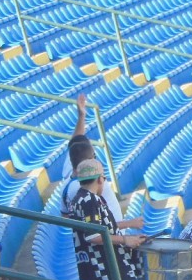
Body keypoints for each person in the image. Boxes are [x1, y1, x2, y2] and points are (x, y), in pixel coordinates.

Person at [60, 94, 142, 233]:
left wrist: (81, 116)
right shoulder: (84, 186)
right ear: (91, 158)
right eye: (94, 155)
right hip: (109, 243)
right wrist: (130, 224)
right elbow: (97, 227)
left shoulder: (72, 167)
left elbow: (76, 141)